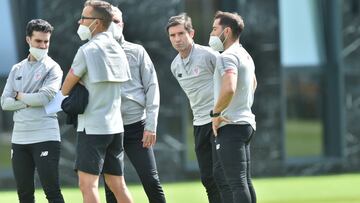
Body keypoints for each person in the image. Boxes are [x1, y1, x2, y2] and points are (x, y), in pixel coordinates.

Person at [60, 1, 133, 203]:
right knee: (118, 185)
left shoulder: (87, 50)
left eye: (84, 18)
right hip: (115, 127)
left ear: (98, 23)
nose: (80, 21)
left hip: (92, 128)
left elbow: (66, 87)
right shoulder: (118, 49)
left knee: (87, 185)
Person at [166, 13, 232, 203]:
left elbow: (229, 83)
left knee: (223, 177)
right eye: (172, 35)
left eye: (181, 34)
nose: (177, 39)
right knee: (208, 178)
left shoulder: (209, 54)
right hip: (199, 124)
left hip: (219, 121)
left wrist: (221, 113)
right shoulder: (174, 66)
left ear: (191, 33)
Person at [104, 6, 166, 203]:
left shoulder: (137, 51)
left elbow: (152, 87)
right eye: (109, 21)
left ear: (122, 24)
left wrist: (151, 124)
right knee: (110, 187)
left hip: (136, 127)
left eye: (116, 21)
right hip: (108, 129)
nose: (113, 25)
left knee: (151, 180)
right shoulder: (93, 53)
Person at [0, 19, 65, 203]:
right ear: (28, 40)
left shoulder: (53, 68)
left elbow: (43, 98)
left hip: (46, 135)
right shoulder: (16, 69)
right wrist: (29, 100)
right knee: (24, 194)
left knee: (52, 192)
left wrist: (19, 96)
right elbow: (5, 102)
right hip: (19, 138)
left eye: (46, 42)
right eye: (38, 41)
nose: (43, 45)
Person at [209, 11, 257, 203]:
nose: (212, 34)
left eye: (214, 29)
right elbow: (253, 83)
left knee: (236, 183)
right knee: (244, 180)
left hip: (231, 125)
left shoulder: (226, 56)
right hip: (245, 123)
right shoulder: (245, 54)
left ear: (226, 31)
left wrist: (216, 113)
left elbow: (229, 87)